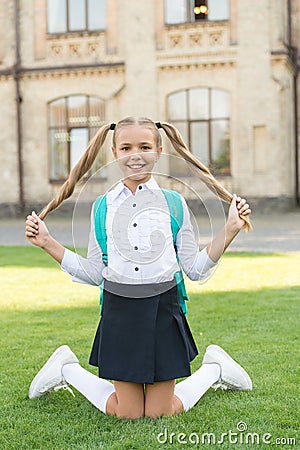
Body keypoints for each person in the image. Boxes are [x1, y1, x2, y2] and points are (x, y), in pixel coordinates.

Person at [25, 117, 252, 419]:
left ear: (159, 150)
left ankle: (214, 368)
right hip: (120, 311)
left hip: (164, 309)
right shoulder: (102, 207)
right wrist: (47, 242)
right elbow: (95, 272)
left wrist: (230, 229)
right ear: (114, 153)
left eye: (145, 146)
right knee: (127, 413)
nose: (136, 155)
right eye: (126, 147)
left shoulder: (174, 204)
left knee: (161, 412)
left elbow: (195, 269)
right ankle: (66, 368)